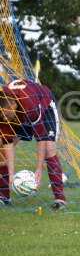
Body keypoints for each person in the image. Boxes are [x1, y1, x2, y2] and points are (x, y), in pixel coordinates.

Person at [0, 78, 66, 210]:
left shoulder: (29, 105)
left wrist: (39, 168)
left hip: (45, 106)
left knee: (49, 149)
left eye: (5, 115)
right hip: (21, 113)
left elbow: (40, 138)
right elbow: (7, 143)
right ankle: (4, 197)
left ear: (12, 105)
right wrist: (12, 174)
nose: (3, 118)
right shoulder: (4, 111)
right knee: (1, 149)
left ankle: (60, 200)